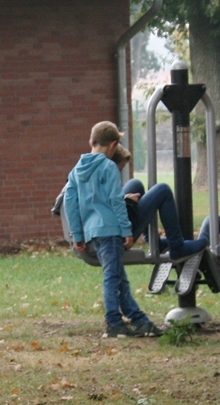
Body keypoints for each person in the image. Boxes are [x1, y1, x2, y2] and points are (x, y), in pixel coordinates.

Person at [63, 122, 163, 338]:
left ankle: (140, 321)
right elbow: (116, 201)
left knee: (118, 278)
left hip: (91, 234)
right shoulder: (108, 167)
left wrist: (77, 236)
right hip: (109, 231)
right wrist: (126, 231)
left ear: (91, 141)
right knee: (112, 277)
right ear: (113, 145)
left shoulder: (76, 171)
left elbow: (70, 205)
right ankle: (114, 322)